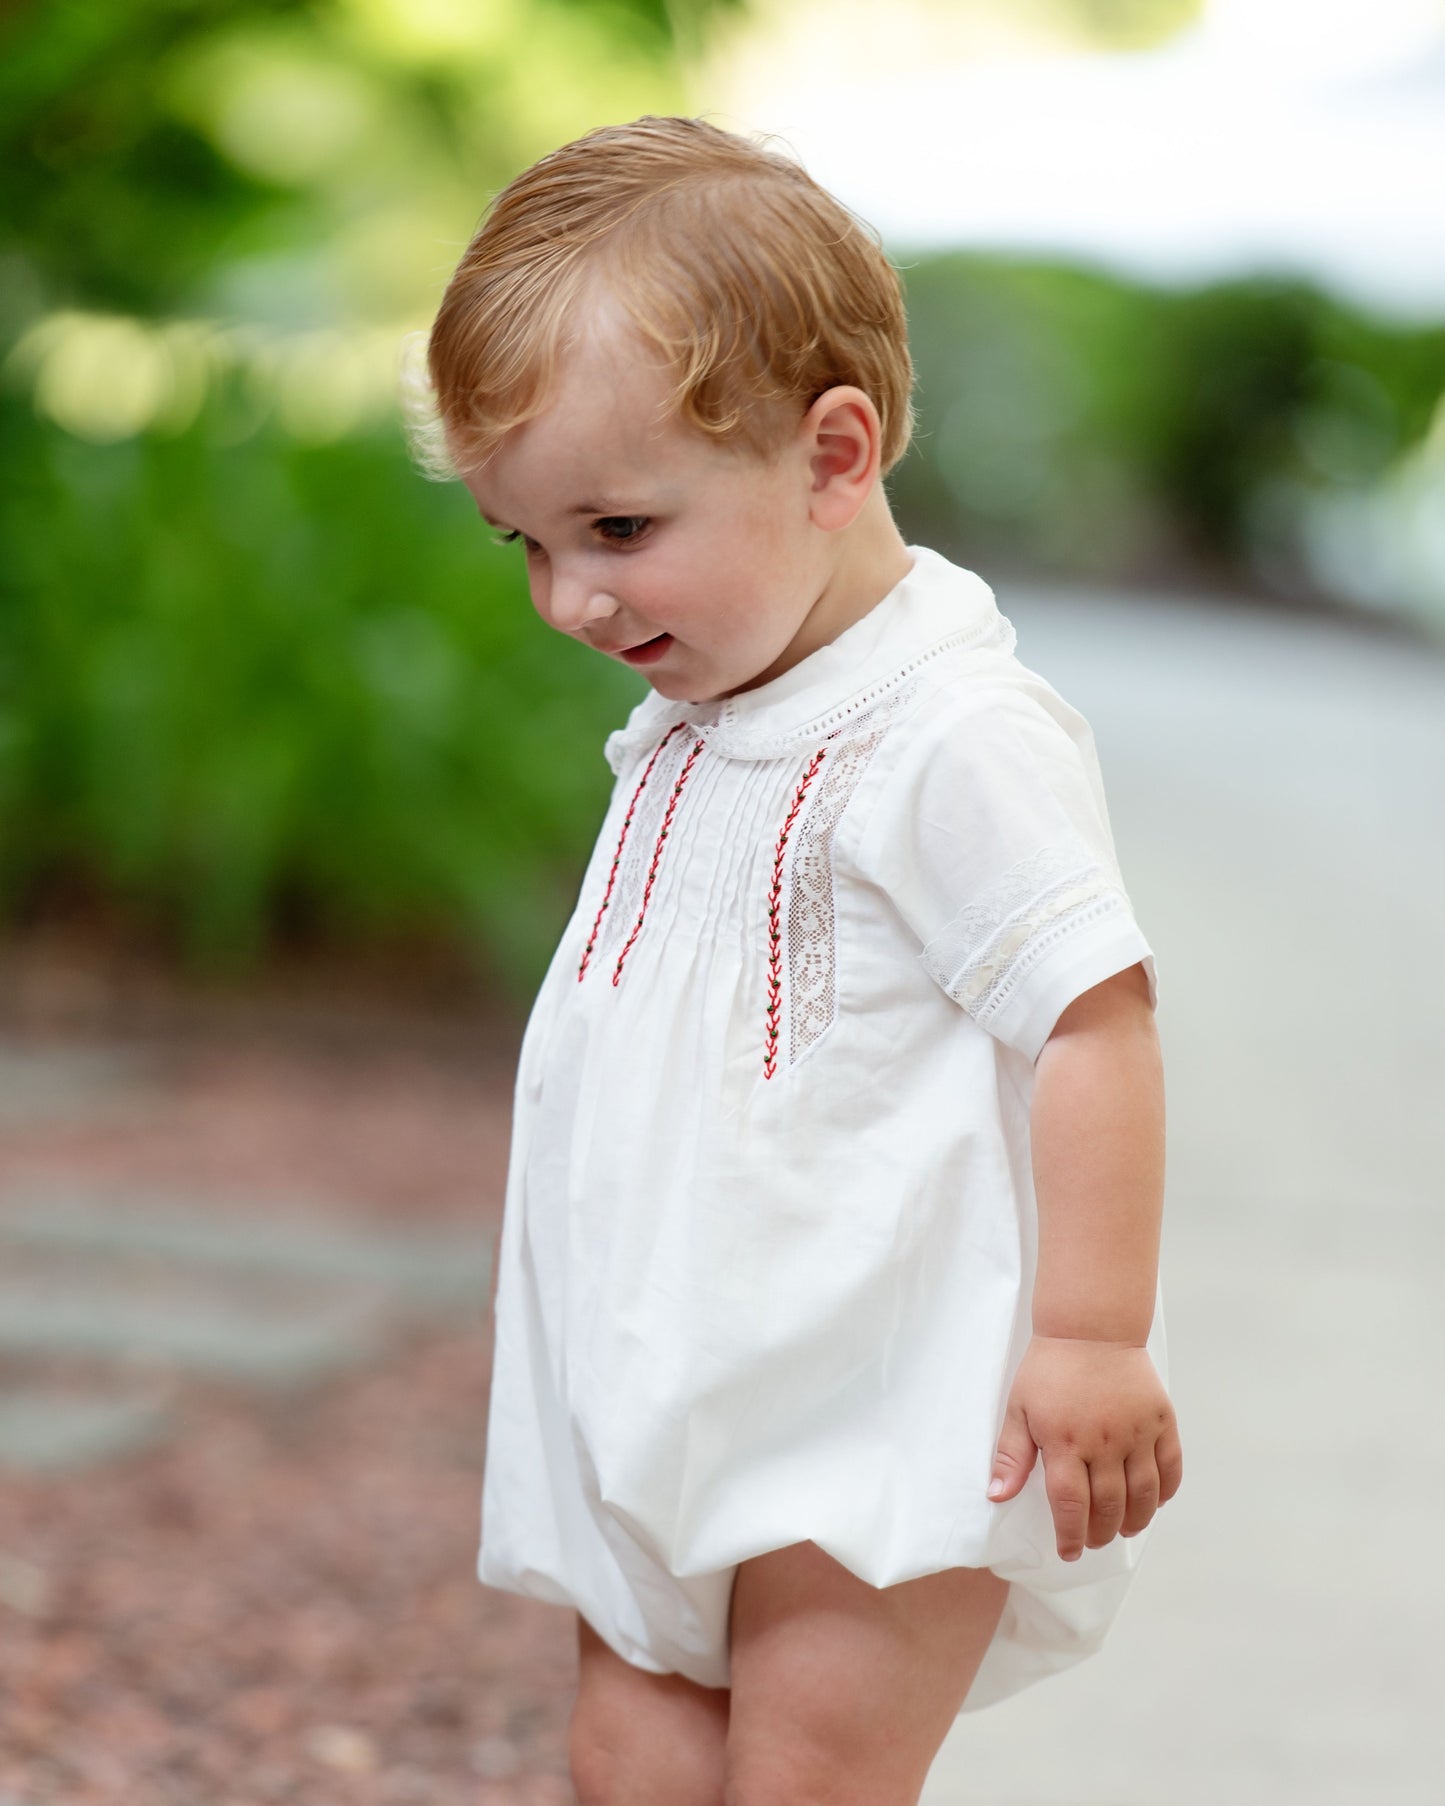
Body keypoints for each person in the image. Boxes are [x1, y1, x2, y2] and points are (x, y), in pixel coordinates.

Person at [413, 114, 1182, 1806]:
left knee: (808, 1773)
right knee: (624, 1756)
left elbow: (1092, 1021)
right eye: (524, 540)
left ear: (834, 456)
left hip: (877, 1391)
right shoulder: (698, 719)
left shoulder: (948, 734)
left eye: (617, 527)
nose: (568, 598)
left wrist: (1089, 1333)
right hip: (656, 1368)